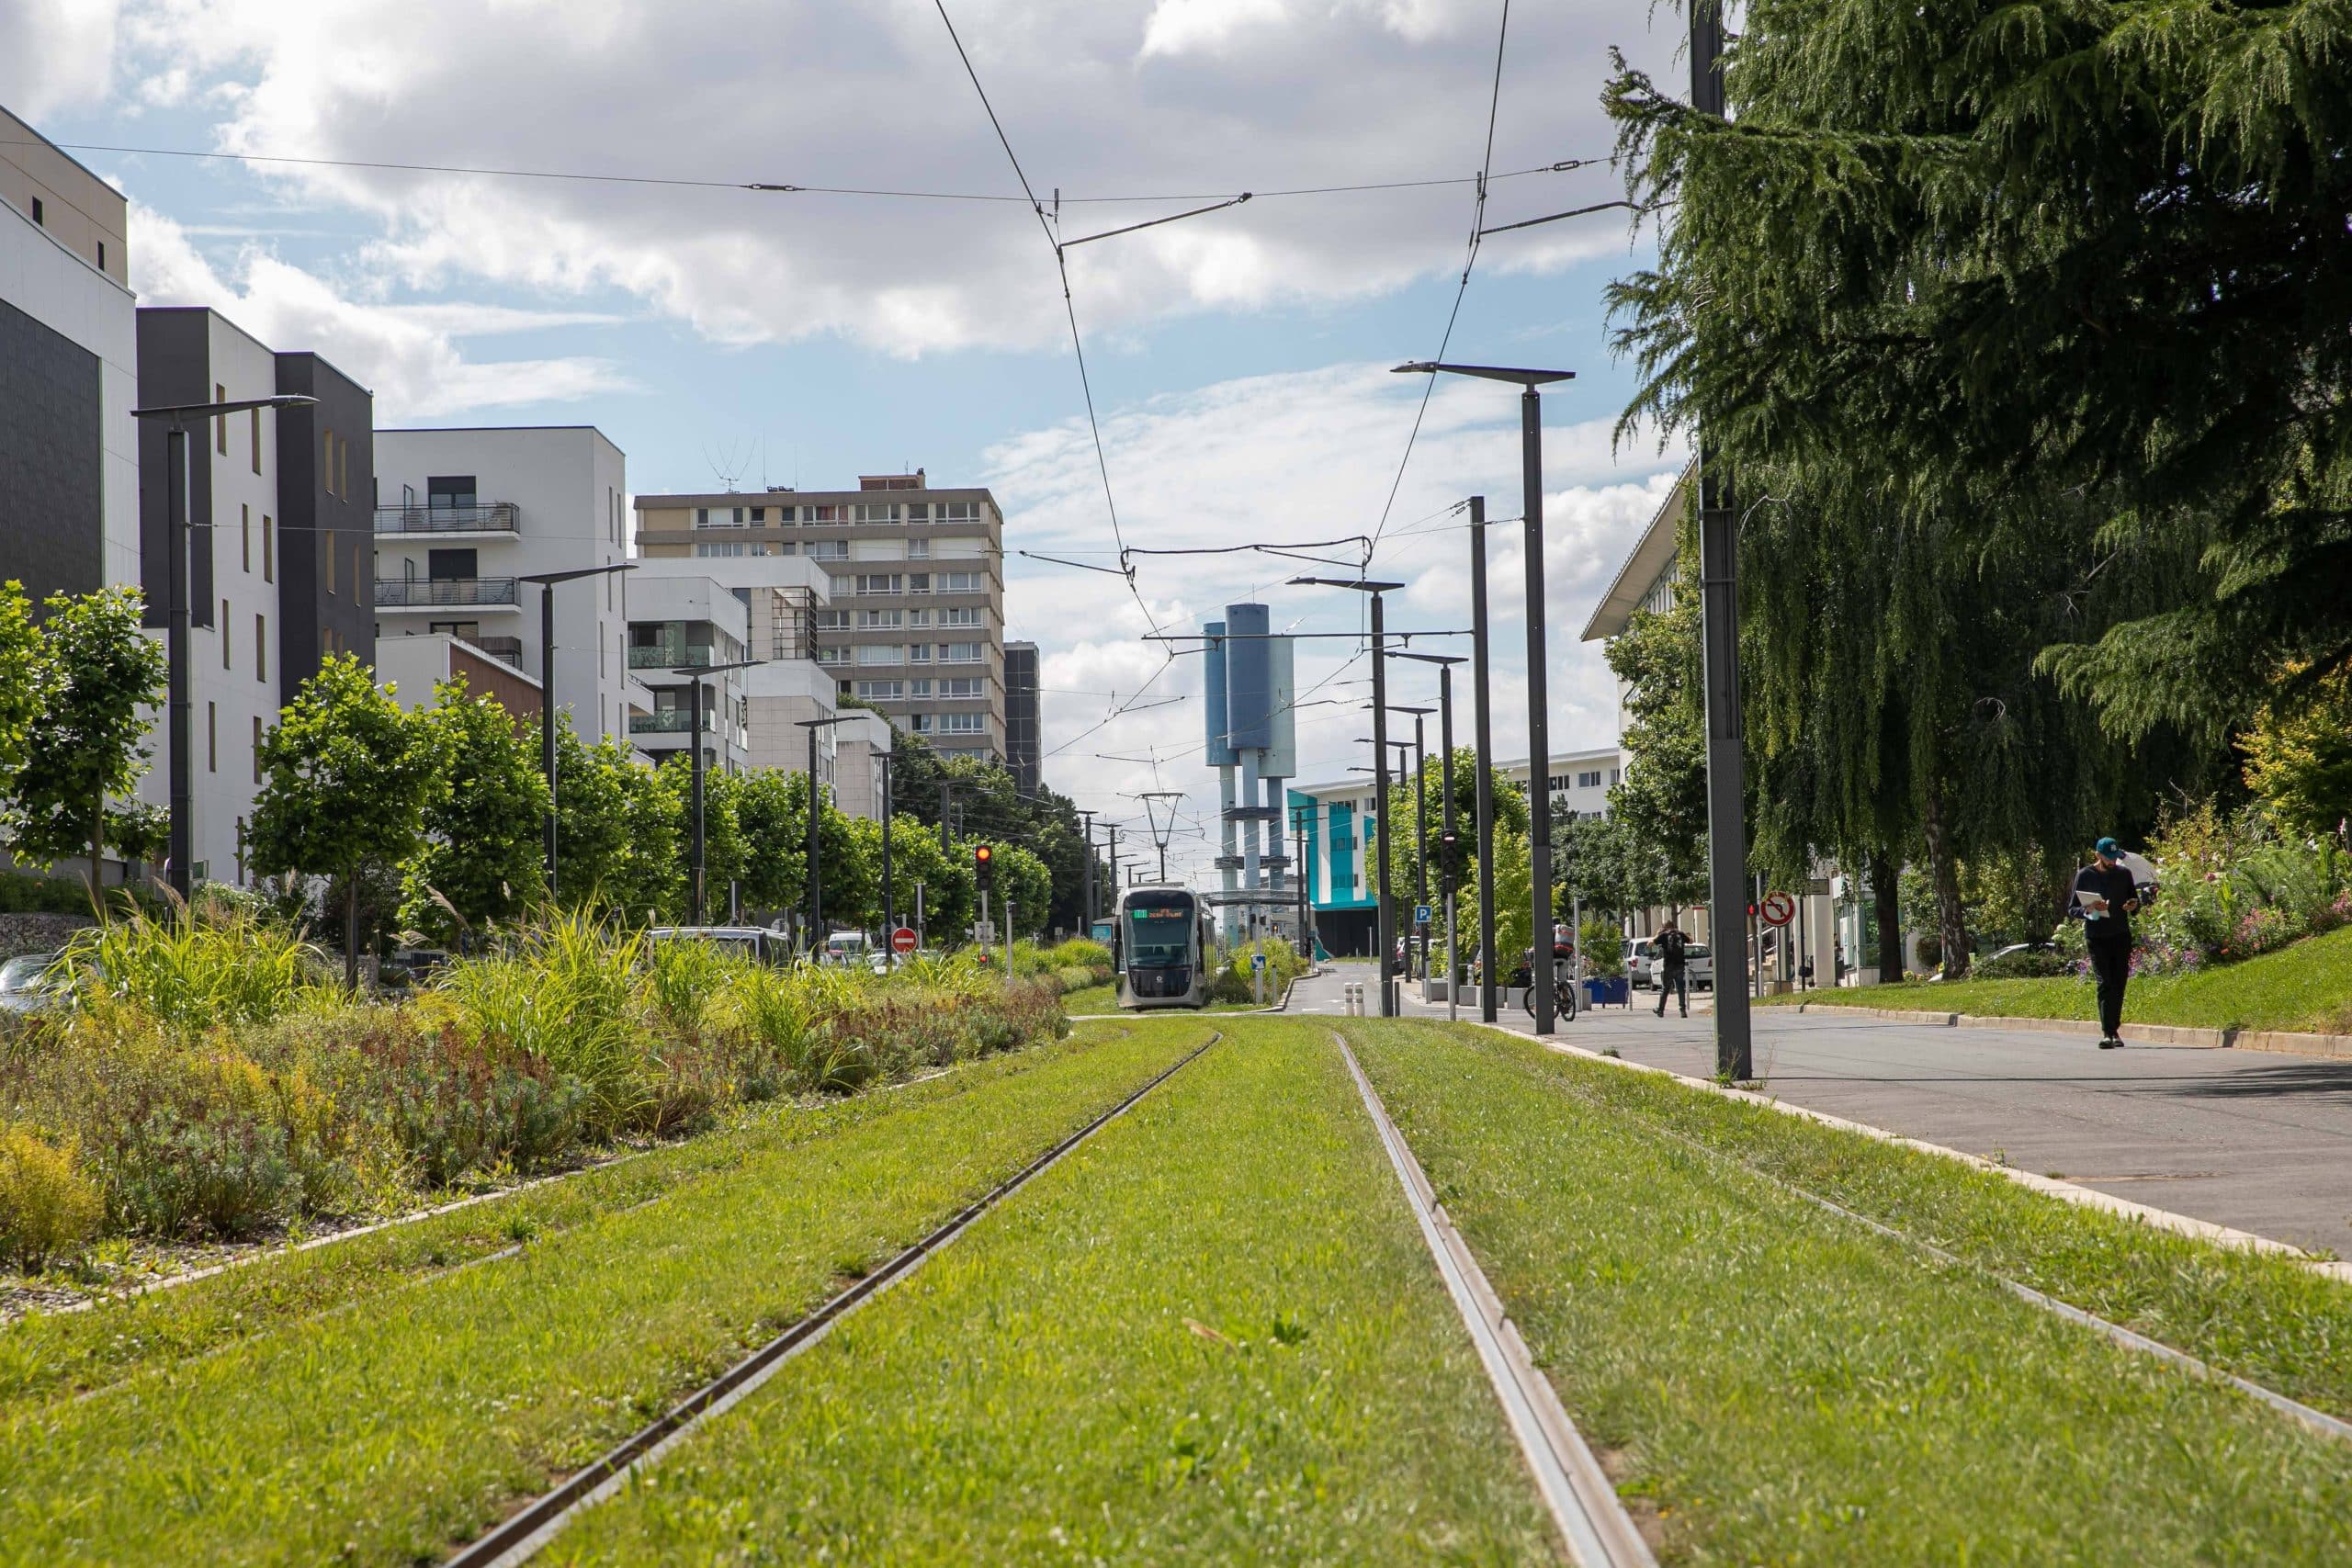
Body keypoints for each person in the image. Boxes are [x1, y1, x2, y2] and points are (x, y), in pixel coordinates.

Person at [2070, 836, 2143, 1049]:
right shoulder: (2085, 875)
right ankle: (2108, 1033)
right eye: (2108, 858)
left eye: (2115, 858)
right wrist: (2089, 909)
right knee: (2105, 983)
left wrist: (2133, 906)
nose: (2112, 862)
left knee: (2119, 983)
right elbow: (2072, 908)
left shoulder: (2124, 874)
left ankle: (2114, 1029)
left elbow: (2133, 900)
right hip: (2097, 936)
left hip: (2120, 934)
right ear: (2097, 855)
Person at [1654, 919, 1690, 1018]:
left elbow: (1650, 944)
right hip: (1680, 965)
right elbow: (1691, 941)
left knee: (1665, 988)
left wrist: (1657, 934)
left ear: (1664, 927)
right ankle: (1682, 1010)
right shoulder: (1680, 934)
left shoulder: (1664, 935)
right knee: (1680, 988)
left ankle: (1661, 1010)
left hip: (1668, 965)